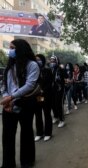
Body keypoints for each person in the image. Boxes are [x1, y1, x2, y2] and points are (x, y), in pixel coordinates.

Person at [0, 39, 40, 168]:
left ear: (21, 49)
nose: (10, 51)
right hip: (8, 105)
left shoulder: (32, 65)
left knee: (26, 132)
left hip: (25, 104)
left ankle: (27, 161)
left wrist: (11, 98)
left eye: (13, 48)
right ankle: (8, 164)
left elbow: (30, 85)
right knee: (7, 136)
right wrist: (6, 97)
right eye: (10, 48)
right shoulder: (10, 66)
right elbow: (3, 85)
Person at [34, 54, 53, 142]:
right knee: (38, 114)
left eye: (39, 59)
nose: (38, 61)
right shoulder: (34, 70)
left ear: (42, 60)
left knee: (46, 113)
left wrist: (43, 90)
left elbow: (50, 83)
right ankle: (39, 133)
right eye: (36, 60)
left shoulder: (47, 70)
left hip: (46, 95)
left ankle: (48, 133)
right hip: (38, 96)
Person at [49, 56, 65, 128]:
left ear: (57, 61)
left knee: (58, 104)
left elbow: (65, 76)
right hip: (52, 89)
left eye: (53, 61)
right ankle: (55, 116)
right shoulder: (50, 69)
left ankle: (62, 120)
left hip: (59, 89)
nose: (52, 62)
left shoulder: (60, 69)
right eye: (51, 61)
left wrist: (62, 69)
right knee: (52, 104)